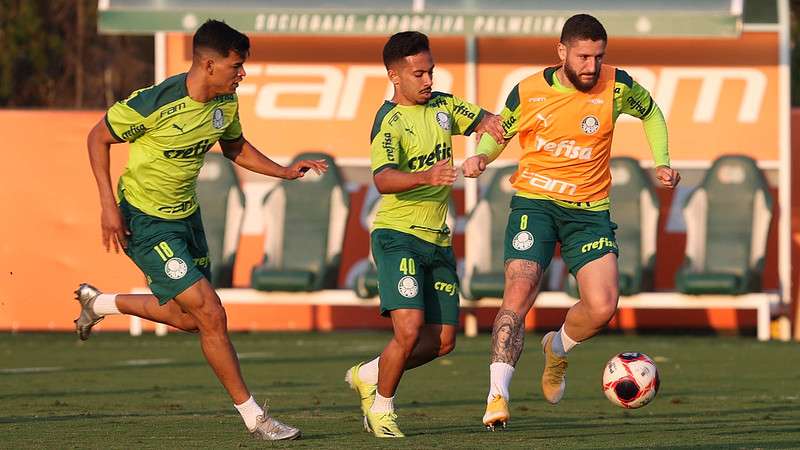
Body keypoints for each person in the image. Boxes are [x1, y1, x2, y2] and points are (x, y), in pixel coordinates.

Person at [75, 19, 328, 441]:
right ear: (208, 65)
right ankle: (256, 418)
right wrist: (107, 205)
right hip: (146, 222)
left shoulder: (225, 102)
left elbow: (235, 147)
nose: (242, 74)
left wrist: (283, 172)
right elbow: (96, 137)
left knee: (190, 320)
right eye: (236, 66)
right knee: (212, 313)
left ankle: (99, 304)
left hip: (187, 219)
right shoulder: (156, 102)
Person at [462, 14, 680, 430]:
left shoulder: (617, 85)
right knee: (519, 289)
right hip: (535, 204)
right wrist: (482, 156)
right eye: (582, 56)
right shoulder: (529, 91)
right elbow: (499, 130)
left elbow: (652, 114)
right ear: (561, 51)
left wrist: (663, 163)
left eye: (598, 57)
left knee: (602, 306)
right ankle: (497, 394)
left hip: (590, 211)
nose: (590, 66)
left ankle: (557, 348)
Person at [345, 31, 504, 438]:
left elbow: (492, 123)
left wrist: (482, 153)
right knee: (410, 329)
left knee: (444, 342)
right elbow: (382, 179)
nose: (428, 79)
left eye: (430, 70)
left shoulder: (444, 106)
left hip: (438, 239)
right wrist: (426, 176)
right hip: (396, 235)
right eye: (419, 73)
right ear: (394, 76)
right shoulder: (389, 120)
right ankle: (382, 407)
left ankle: (371, 373)